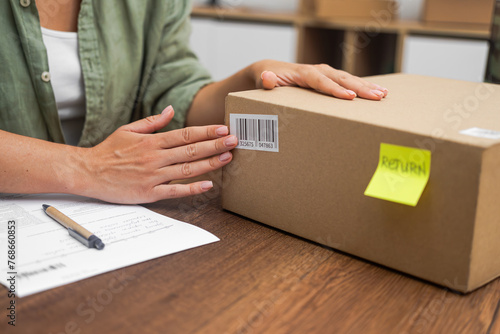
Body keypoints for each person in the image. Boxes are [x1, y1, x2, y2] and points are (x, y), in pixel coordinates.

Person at [0, 0, 388, 204]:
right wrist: (89, 168)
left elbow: (171, 90)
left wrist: (248, 79)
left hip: (110, 211)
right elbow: (99, 169)